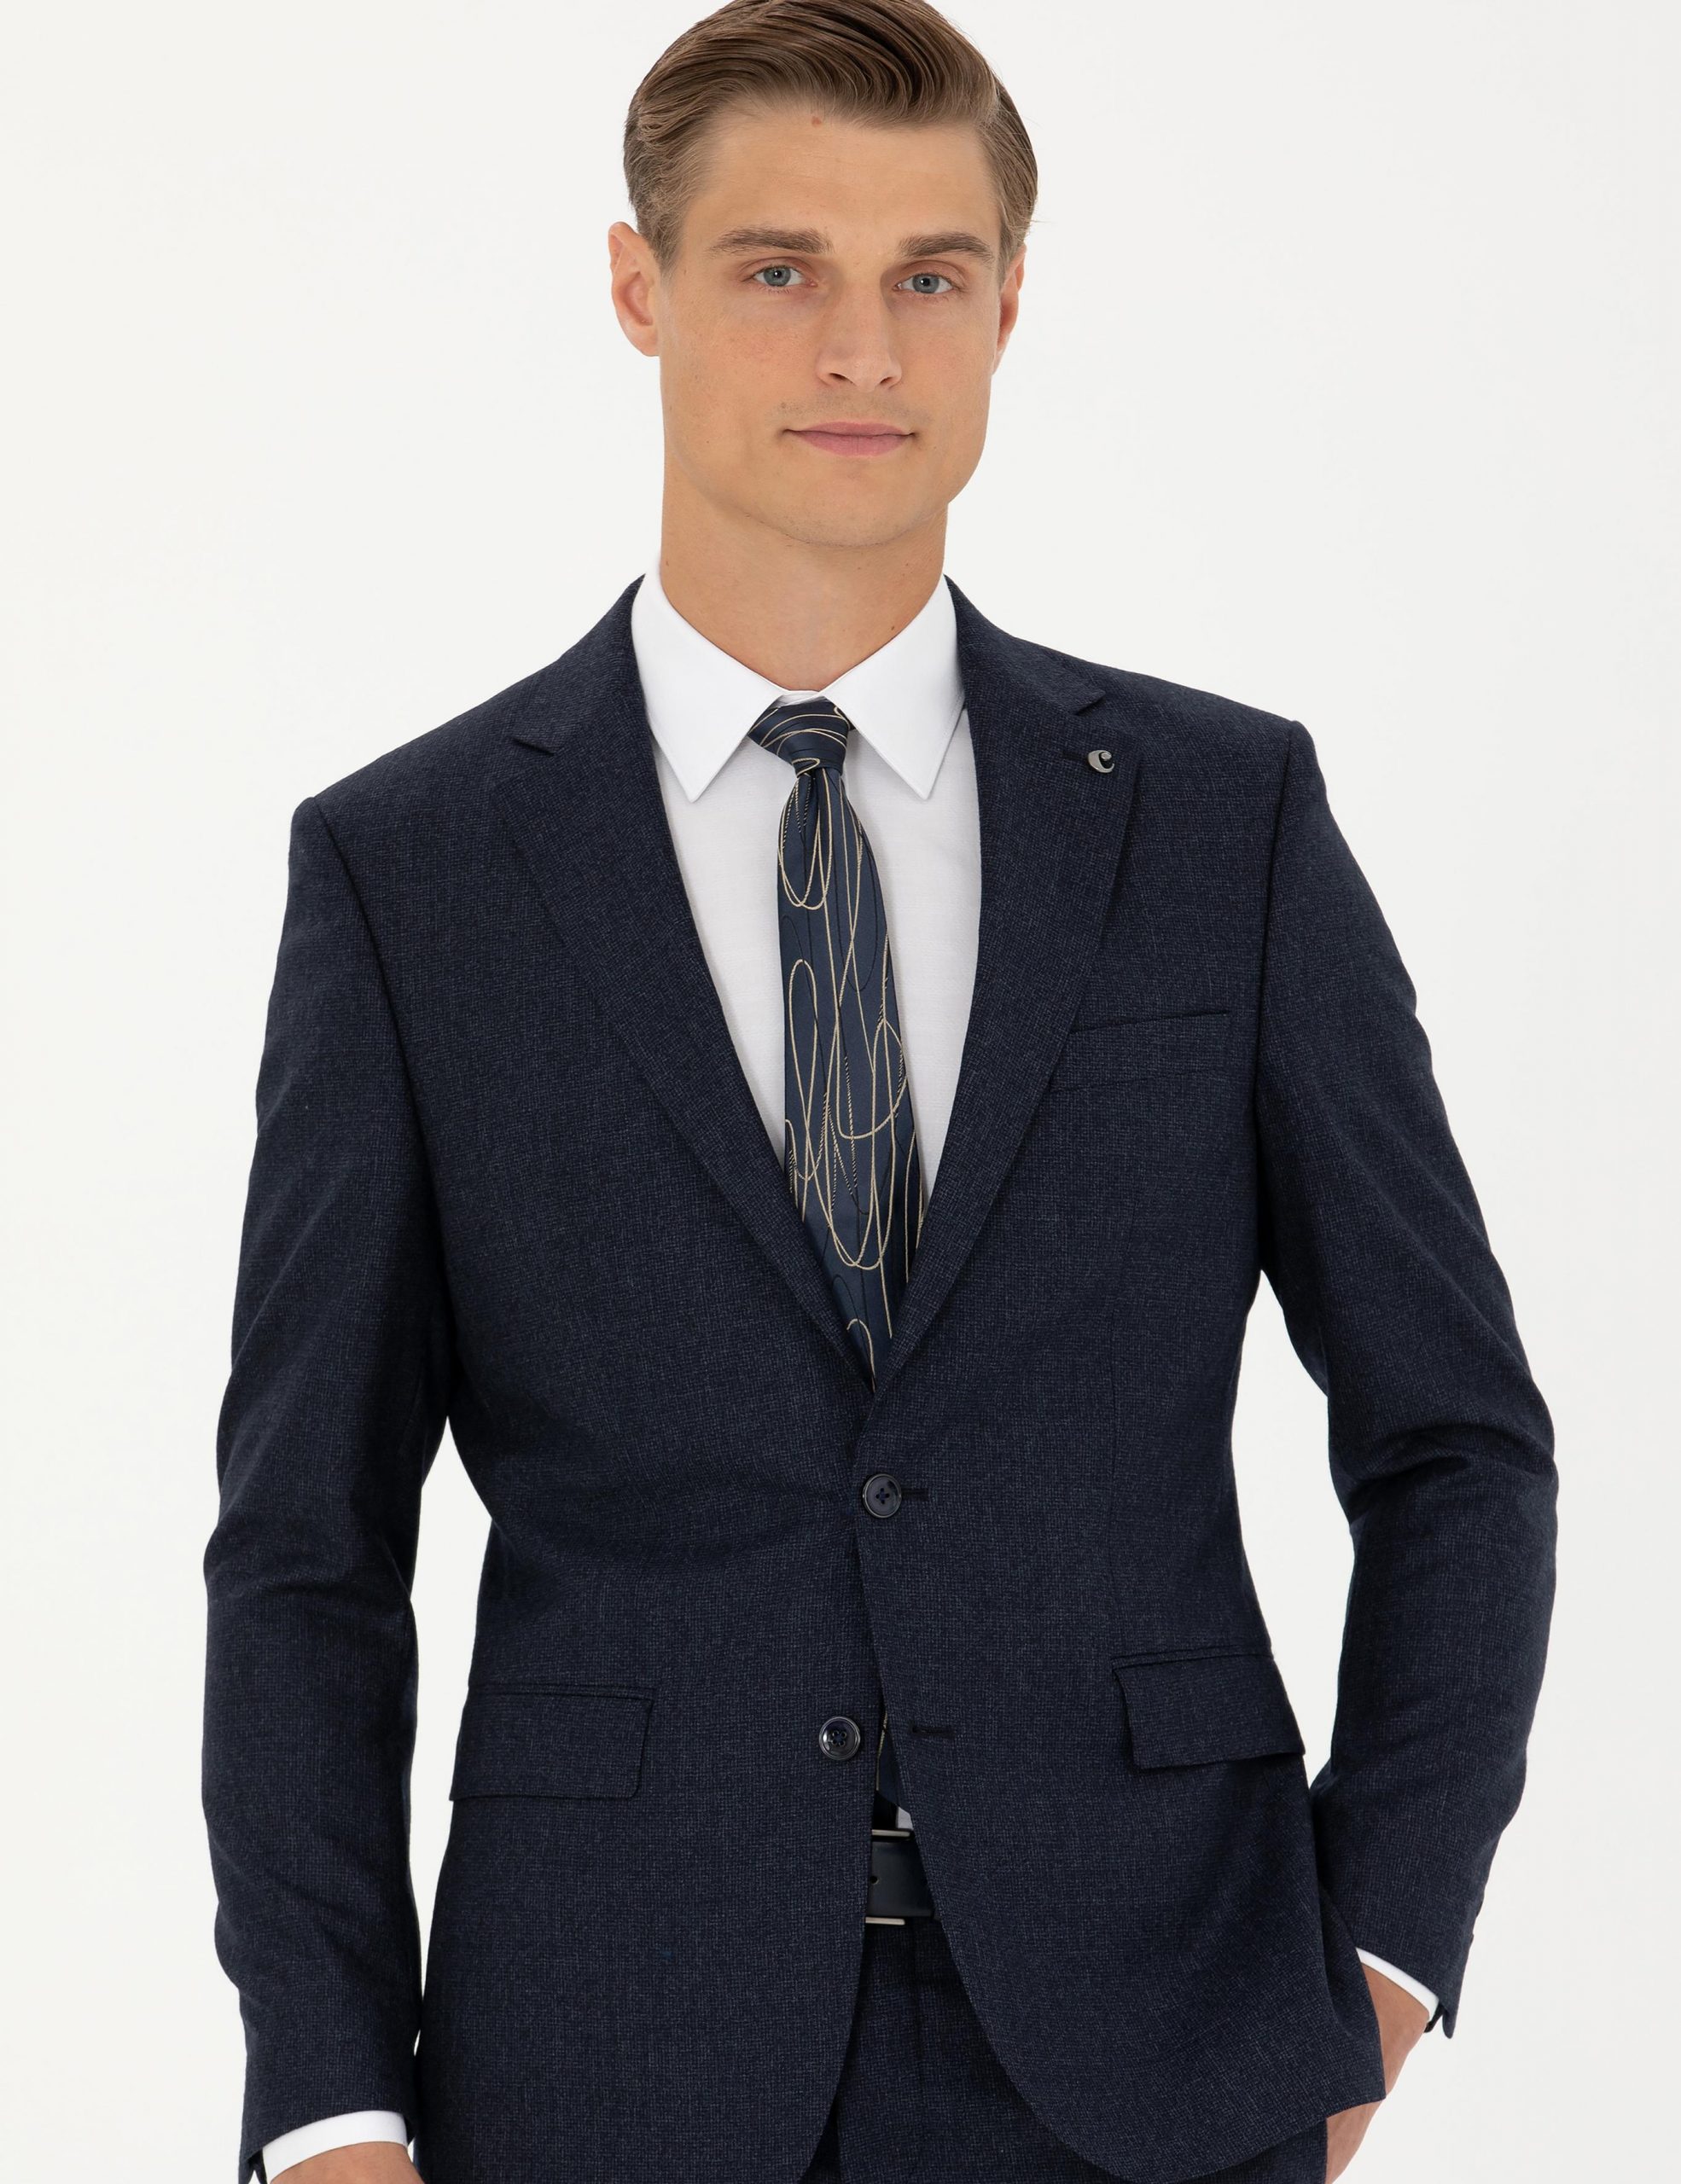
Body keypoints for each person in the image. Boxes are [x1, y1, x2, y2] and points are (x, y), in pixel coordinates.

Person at [201, 4, 1557, 2181]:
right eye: (778, 268)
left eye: (930, 273)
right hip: (604, 2060)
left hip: (1168, 2048)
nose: (862, 347)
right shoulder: (413, 870)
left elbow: (1457, 1438)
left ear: (1007, 307)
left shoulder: (1219, 820)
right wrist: (331, 2105)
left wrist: (1381, 1957)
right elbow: (307, 1551)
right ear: (637, 287)